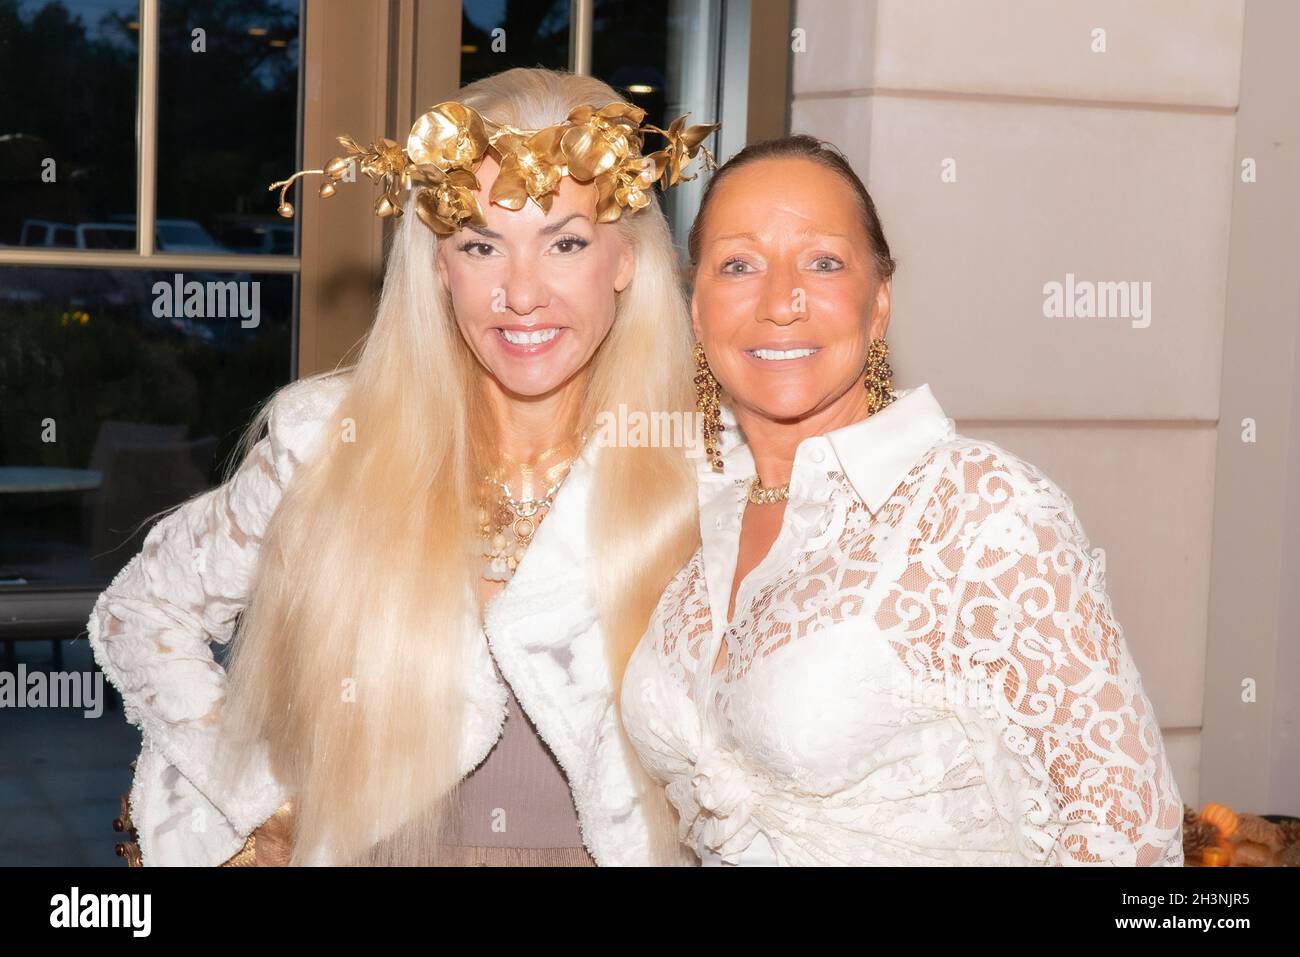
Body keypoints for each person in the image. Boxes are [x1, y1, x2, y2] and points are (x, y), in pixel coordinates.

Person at [89, 67, 718, 867]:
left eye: (565, 242)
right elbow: (139, 613)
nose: (521, 294)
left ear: (624, 259)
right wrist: (258, 802)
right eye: (481, 246)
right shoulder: (325, 438)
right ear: (437, 267)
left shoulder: (704, 461)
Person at [619, 134, 1186, 866]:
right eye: (738, 265)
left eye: (823, 262)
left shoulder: (980, 509)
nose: (781, 299)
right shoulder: (696, 517)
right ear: (697, 313)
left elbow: (1133, 832)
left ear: (879, 304)